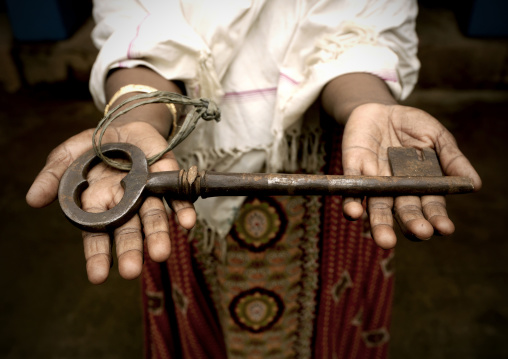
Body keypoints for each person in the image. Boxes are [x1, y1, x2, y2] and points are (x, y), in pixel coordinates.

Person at [26, 0, 481, 357]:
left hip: (344, 149)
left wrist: (370, 104)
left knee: (332, 321)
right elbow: (139, 20)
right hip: (174, 161)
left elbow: (365, 22)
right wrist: (138, 115)